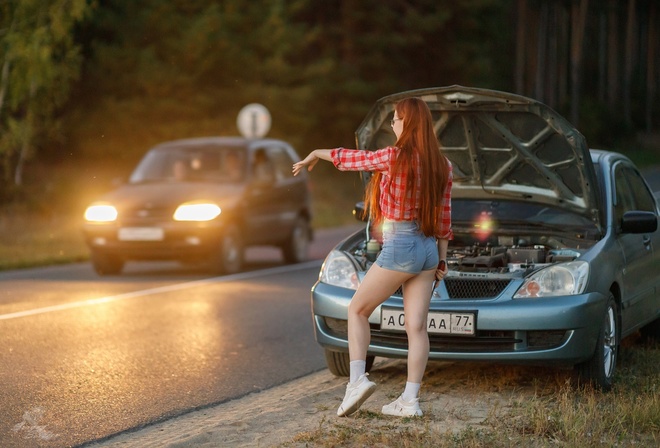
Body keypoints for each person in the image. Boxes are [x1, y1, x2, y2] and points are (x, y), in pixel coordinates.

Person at [292, 97, 453, 418]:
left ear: (406, 123)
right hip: (428, 250)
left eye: (395, 119)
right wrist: (441, 262)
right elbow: (446, 219)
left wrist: (315, 154)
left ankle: (357, 381)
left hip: (402, 245)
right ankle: (410, 400)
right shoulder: (442, 165)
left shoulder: (394, 157)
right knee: (417, 328)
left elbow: (352, 159)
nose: (392, 124)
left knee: (357, 309)